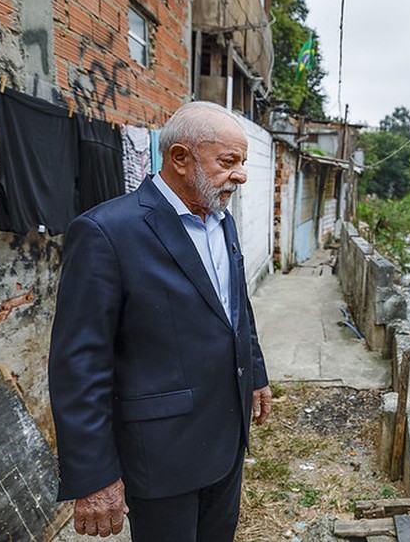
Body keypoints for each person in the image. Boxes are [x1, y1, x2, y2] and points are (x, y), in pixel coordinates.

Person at [48, 101, 272, 541]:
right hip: (161, 454)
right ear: (180, 159)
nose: (241, 175)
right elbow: (79, 364)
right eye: (229, 162)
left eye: (242, 162)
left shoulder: (222, 222)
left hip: (225, 441)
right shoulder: (106, 232)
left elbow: (235, 308)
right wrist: (94, 476)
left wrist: (256, 374)